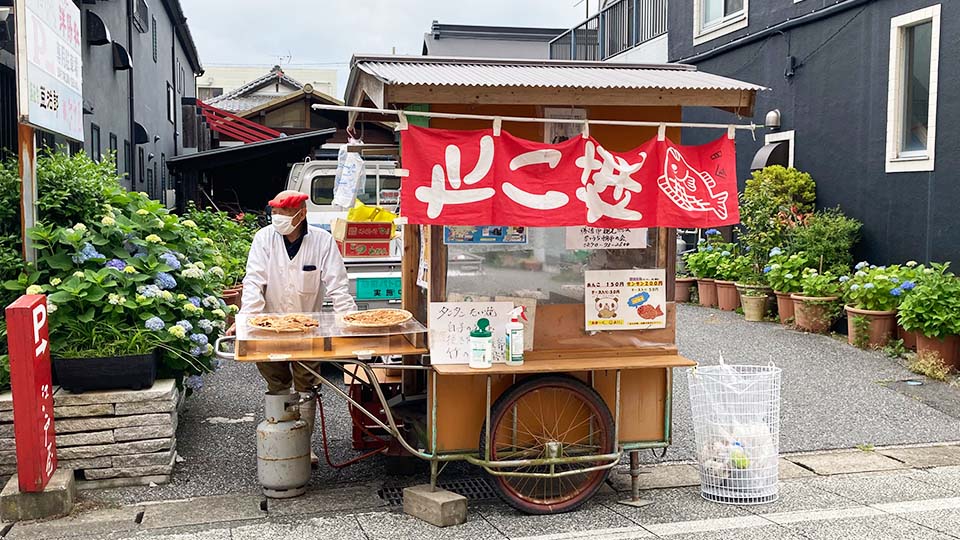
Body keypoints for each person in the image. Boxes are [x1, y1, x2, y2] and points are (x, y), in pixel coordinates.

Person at [230, 189, 357, 464]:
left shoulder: (322, 241)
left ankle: (303, 445)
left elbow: (338, 285)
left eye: (284, 214)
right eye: (275, 213)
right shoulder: (264, 239)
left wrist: (349, 321)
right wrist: (246, 320)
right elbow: (254, 282)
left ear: (301, 214)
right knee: (277, 383)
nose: (278, 218)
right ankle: (282, 442)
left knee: (306, 386)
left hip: (308, 326)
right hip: (268, 325)